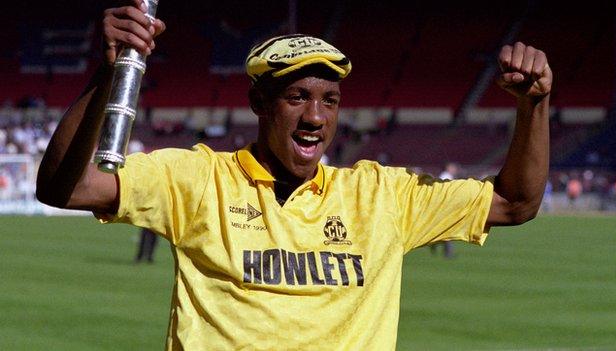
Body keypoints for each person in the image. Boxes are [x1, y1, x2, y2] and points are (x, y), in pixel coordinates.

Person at [36, 1, 552, 349]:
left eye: (330, 101)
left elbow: (515, 203)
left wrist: (534, 107)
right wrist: (108, 73)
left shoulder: (382, 196)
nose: (316, 117)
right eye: (297, 97)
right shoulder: (197, 180)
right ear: (258, 103)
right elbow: (68, 186)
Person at [430, 162, 460, 258]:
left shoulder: (448, 176)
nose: (454, 170)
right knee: (448, 229)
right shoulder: (445, 176)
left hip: (445, 207)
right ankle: (447, 252)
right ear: (448, 168)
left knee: (445, 229)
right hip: (443, 208)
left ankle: (433, 243)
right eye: (453, 168)